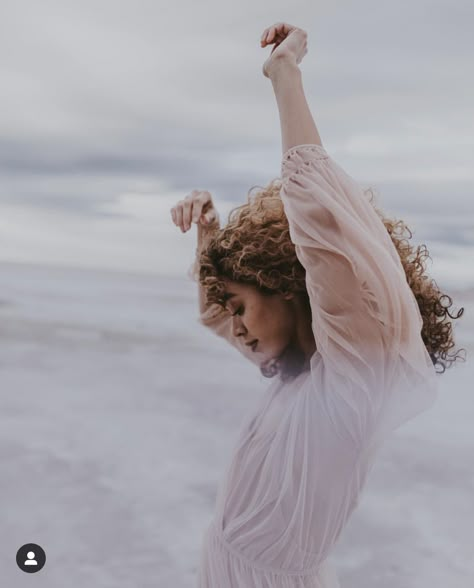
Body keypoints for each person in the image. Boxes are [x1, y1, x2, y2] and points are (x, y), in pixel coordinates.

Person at [171, 22, 465, 588]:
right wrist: (210, 235)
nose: (234, 324)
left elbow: (322, 225)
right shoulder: (297, 374)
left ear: (290, 288)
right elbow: (215, 315)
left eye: (240, 304)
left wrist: (284, 75)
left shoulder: (351, 385)